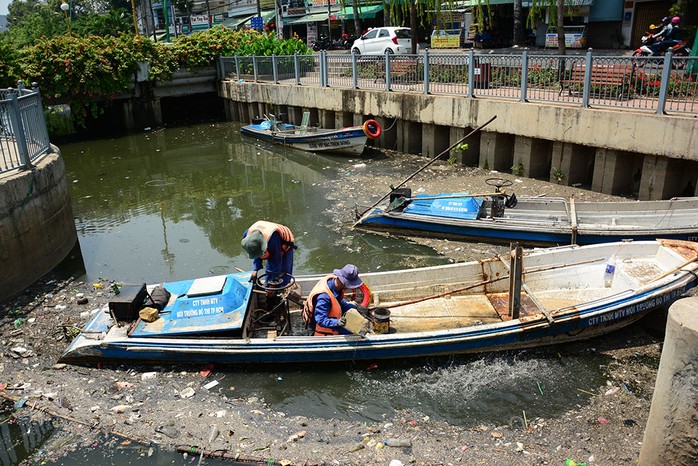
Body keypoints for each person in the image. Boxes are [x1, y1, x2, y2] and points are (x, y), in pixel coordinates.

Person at [304, 264, 363, 336]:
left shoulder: (334, 283)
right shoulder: (324, 297)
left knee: (353, 310)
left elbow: (338, 301)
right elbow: (321, 320)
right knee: (353, 333)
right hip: (321, 324)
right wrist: (337, 322)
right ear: (344, 283)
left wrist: (353, 307)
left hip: (330, 314)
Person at [241, 221, 295, 288]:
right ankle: (267, 285)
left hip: (284, 242)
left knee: (282, 272)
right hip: (265, 239)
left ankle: (283, 287)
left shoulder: (272, 240)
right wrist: (255, 271)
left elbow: (276, 262)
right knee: (269, 271)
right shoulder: (247, 236)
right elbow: (256, 253)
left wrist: (273, 283)